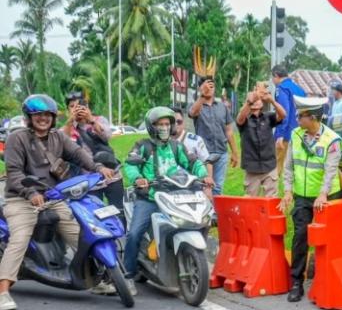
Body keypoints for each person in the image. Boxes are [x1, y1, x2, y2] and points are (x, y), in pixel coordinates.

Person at [0, 94, 113, 310]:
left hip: (53, 197)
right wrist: (30, 191)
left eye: (47, 115)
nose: (43, 119)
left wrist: (99, 168)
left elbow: (79, 155)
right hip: (21, 199)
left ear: (52, 117)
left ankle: (98, 279)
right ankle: (3, 290)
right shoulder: (17, 138)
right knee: (20, 237)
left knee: (81, 233)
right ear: (29, 118)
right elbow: (13, 172)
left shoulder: (58, 138)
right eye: (37, 115)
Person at [124, 108, 212, 290]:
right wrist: (138, 179)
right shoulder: (142, 146)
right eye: (160, 124)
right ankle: (128, 275)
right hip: (149, 199)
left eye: (167, 124)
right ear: (151, 126)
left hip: (174, 196)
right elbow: (130, 165)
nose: (164, 128)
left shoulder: (176, 146)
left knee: (198, 220)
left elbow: (193, 162)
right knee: (134, 234)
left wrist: (204, 175)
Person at [278, 97, 342, 303]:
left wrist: (323, 194)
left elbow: (330, 171)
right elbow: (289, 166)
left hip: (328, 197)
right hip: (303, 198)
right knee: (300, 237)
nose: (297, 119)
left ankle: (327, 278)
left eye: (301, 116)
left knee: (328, 239)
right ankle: (297, 281)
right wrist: (288, 191)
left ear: (313, 117)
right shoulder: (296, 135)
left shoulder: (332, 140)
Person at [61, 91, 124, 218]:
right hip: (88, 179)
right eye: (72, 106)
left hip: (111, 175)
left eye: (80, 105)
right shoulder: (66, 128)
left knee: (118, 211)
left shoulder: (99, 120)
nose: (76, 109)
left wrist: (91, 120)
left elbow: (107, 136)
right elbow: (62, 145)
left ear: (87, 106)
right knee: (95, 215)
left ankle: (122, 237)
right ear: (68, 109)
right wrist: (70, 122)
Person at [188, 74, 239, 196]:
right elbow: (192, 113)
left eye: (211, 86)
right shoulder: (197, 105)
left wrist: (235, 152)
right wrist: (202, 95)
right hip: (204, 153)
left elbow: (229, 131)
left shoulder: (222, 106)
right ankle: (203, 213)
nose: (209, 88)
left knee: (218, 187)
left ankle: (215, 214)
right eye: (206, 85)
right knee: (204, 186)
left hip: (221, 152)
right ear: (200, 87)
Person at [236, 83, 286, 197]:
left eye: (259, 98)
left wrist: (272, 101)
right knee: (251, 203)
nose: (257, 98)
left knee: (271, 201)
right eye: (255, 97)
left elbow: (283, 115)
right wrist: (249, 101)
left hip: (269, 166)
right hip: (252, 168)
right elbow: (240, 118)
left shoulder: (268, 117)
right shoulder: (245, 119)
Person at [272, 65, 303, 175]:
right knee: (297, 168)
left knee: (275, 167)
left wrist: (280, 134)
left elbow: (284, 112)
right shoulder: (299, 89)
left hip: (286, 134)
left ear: (276, 76)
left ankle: (271, 192)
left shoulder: (281, 88)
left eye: (272, 78)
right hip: (300, 133)